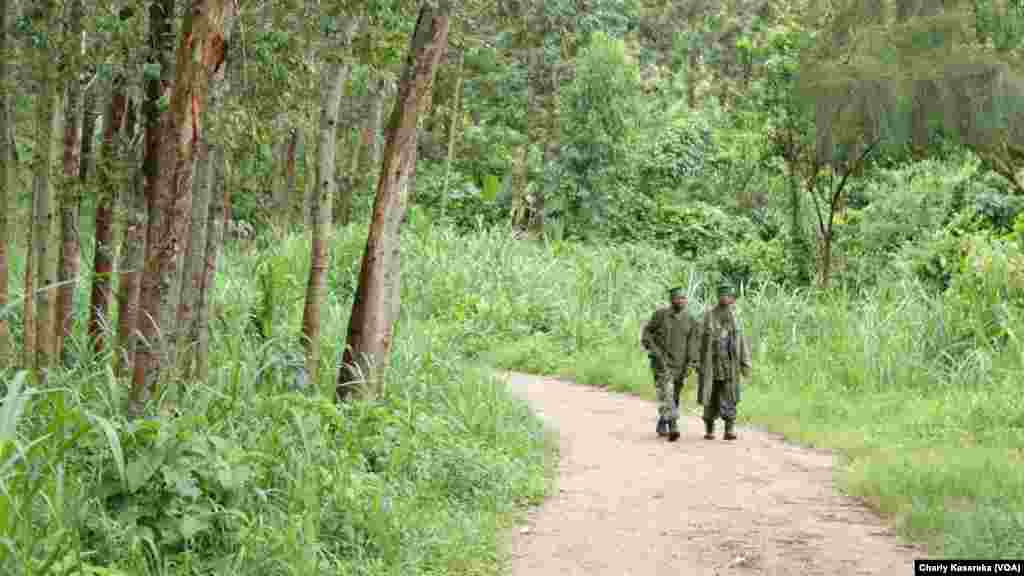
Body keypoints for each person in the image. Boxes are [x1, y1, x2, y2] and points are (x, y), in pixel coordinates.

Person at [641, 286, 700, 442]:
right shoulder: (660, 315)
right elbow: (646, 333)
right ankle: (673, 425)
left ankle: (663, 421)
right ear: (671, 300)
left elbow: (694, 344)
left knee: (674, 396)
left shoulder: (691, 320)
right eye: (677, 298)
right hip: (662, 364)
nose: (681, 301)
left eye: (683, 298)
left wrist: (692, 363)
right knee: (667, 392)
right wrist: (654, 351)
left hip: (680, 365)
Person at [697, 282, 752, 441]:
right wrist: (696, 362)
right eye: (722, 295)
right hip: (711, 366)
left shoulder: (734, 319)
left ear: (732, 299)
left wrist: (745, 364)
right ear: (718, 297)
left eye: (728, 296)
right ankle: (709, 429)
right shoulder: (709, 316)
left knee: (730, 397)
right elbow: (699, 341)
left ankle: (729, 429)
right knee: (711, 397)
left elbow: (742, 343)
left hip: (729, 366)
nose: (725, 298)